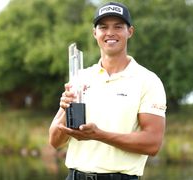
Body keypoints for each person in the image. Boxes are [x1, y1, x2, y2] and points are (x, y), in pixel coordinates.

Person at [49, 1, 166, 180]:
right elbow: (55, 141)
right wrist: (65, 110)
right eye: (103, 27)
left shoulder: (148, 81)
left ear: (130, 32)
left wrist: (100, 135)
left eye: (118, 27)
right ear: (95, 33)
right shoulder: (80, 77)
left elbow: (152, 144)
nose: (110, 33)